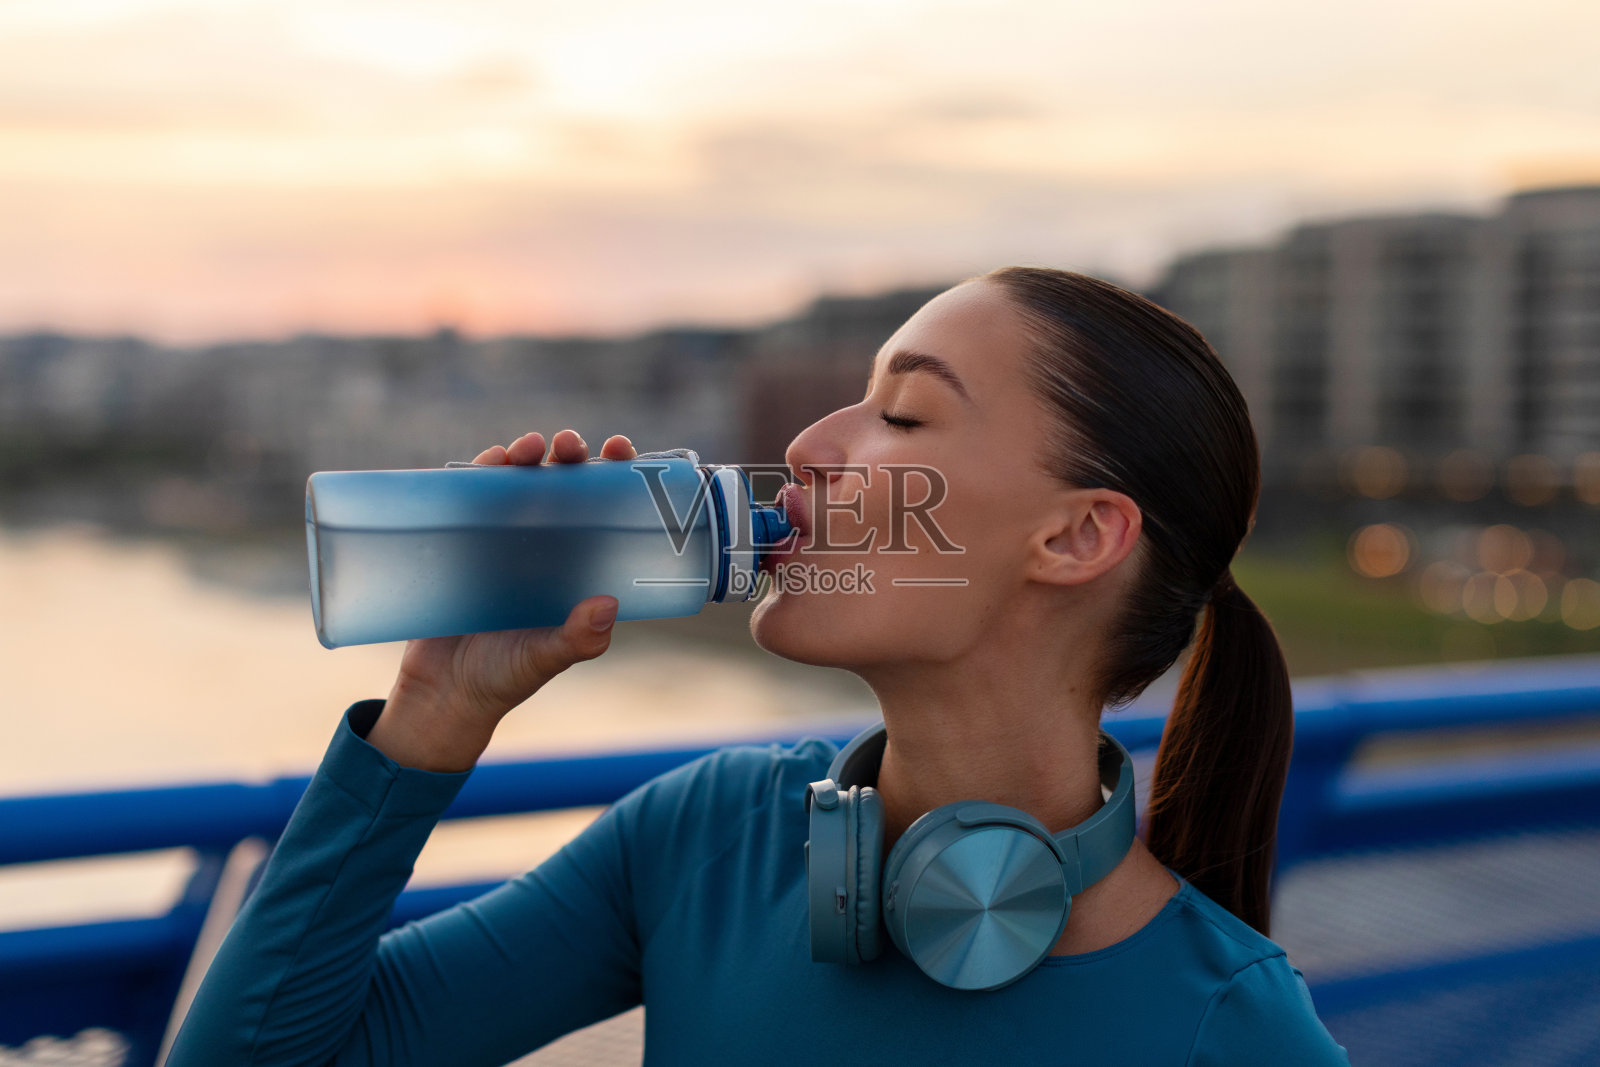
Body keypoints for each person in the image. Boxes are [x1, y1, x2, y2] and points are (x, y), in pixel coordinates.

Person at [168, 267, 1349, 1064]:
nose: (807, 447)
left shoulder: (1232, 1024)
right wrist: (433, 715)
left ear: (1075, 534)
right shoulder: (708, 836)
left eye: (905, 416)